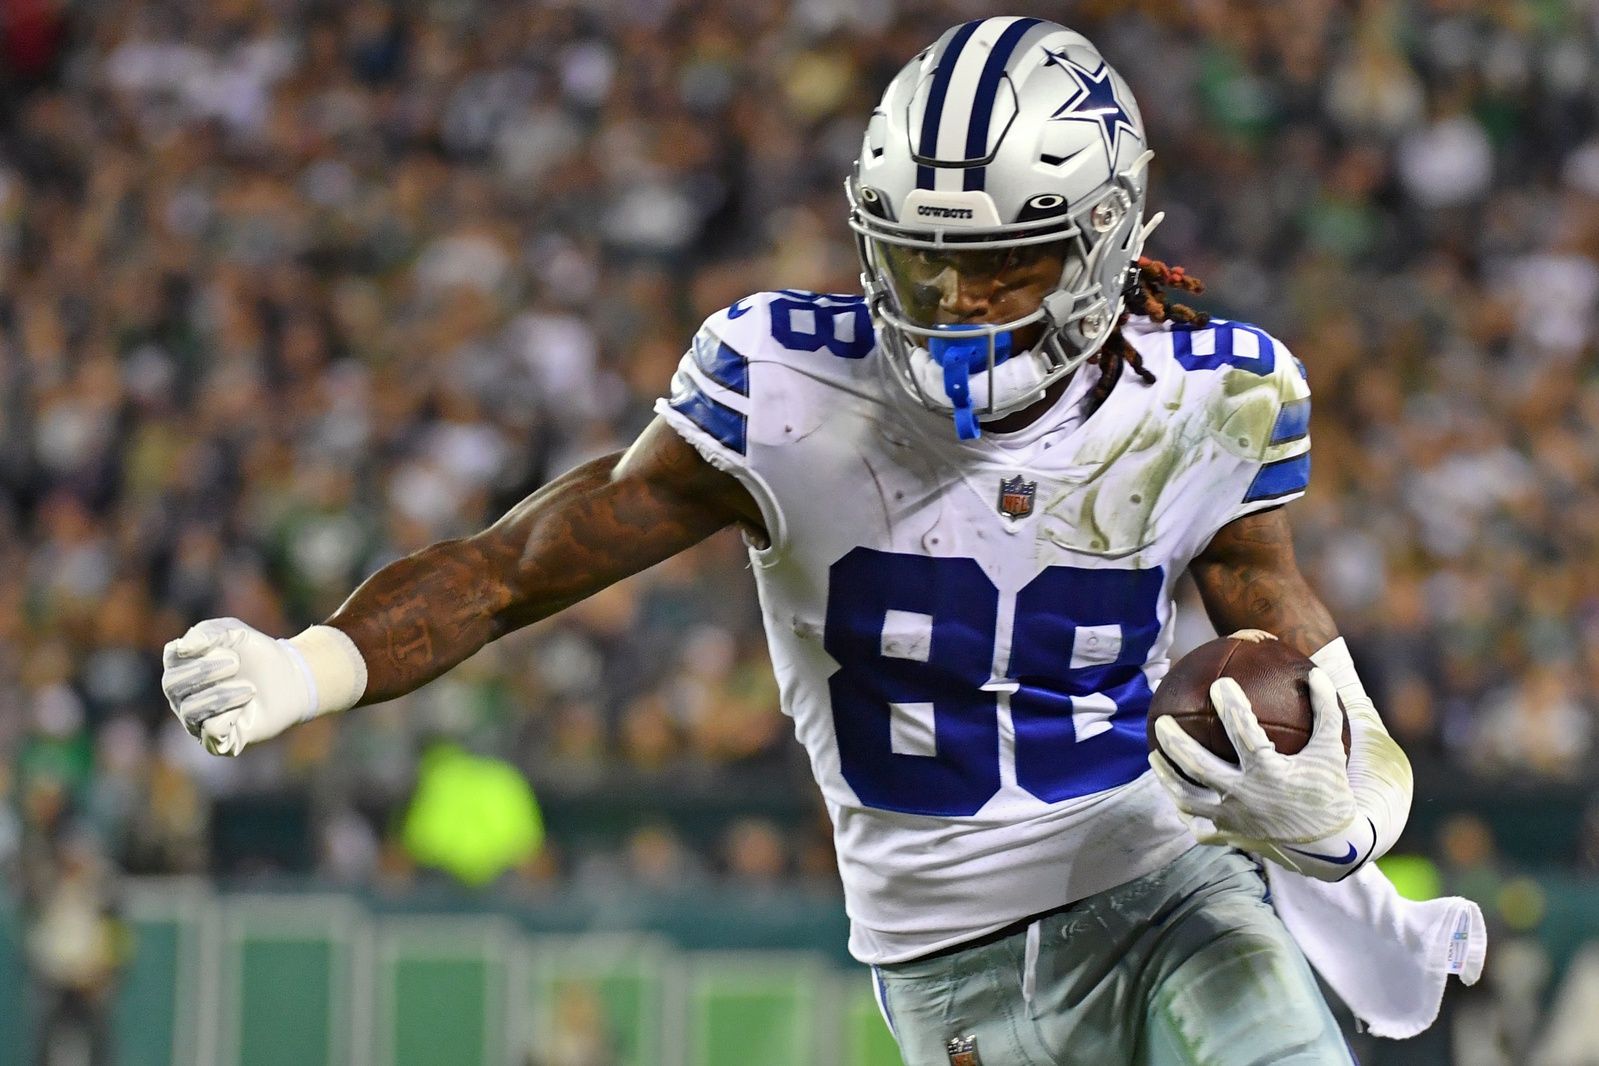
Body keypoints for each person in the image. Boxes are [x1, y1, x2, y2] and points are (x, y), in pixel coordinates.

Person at [161, 18, 1413, 1065]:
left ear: (1104, 242)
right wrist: (312, 663)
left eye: (1003, 270)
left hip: (1168, 886)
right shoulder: (787, 387)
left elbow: (1291, 635)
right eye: (928, 270)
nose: (960, 310)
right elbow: (515, 567)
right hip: (947, 957)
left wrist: (1346, 786)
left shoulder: (1215, 395)